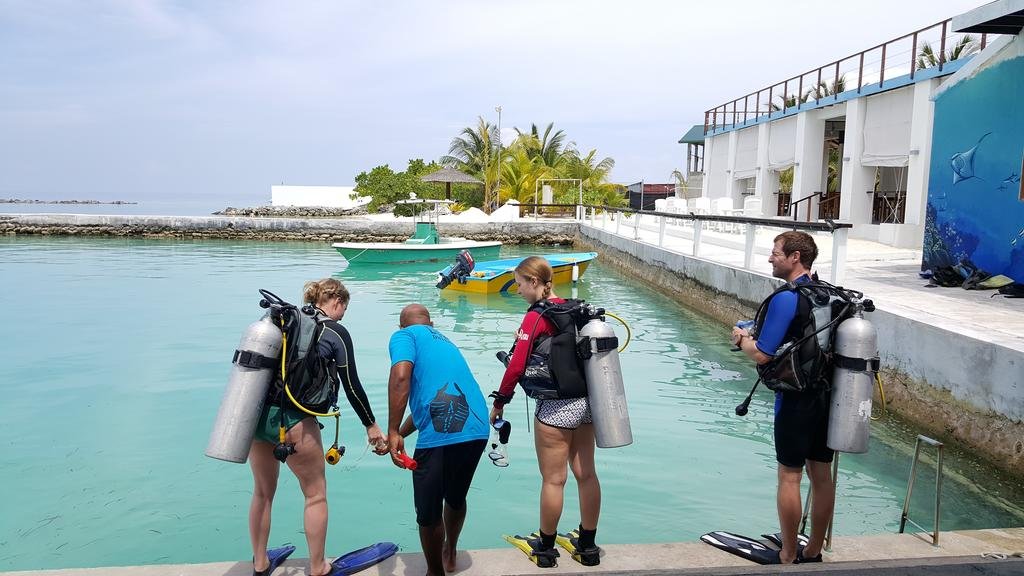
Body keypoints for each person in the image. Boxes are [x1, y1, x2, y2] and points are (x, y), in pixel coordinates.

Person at [248, 278, 387, 576]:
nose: (343, 316)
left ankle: (260, 563)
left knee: (262, 493)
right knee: (315, 494)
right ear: (337, 301)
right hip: (295, 421)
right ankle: (318, 567)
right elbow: (352, 385)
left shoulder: (284, 322)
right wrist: (371, 424)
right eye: (344, 309)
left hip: (257, 418)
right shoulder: (334, 331)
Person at [489, 256, 602, 566]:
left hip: (555, 408)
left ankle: (545, 550)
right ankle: (587, 548)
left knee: (554, 480)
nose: (518, 290)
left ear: (535, 282)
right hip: (587, 404)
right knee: (587, 474)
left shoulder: (536, 316)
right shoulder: (574, 308)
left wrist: (499, 402)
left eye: (520, 284)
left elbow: (516, 366)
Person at [731, 231, 833, 564]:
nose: (770, 258)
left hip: (795, 400)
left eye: (776, 253)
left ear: (795, 257)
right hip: (827, 397)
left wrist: (741, 339)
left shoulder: (787, 298)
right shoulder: (827, 293)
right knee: (822, 475)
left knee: (790, 475)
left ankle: (788, 553)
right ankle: (813, 549)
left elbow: (763, 353)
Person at [386, 303, 490, 576]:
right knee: (455, 496)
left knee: (428, 510)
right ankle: (450, 551)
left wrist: (392, 429)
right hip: (478, 425)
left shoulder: (404, 336)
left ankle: (435, 572)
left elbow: (400, 377)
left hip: (443, 430)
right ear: (431, 324)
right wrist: (398, 434)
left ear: (401, 326)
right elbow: (430, 405)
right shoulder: (444, 341)